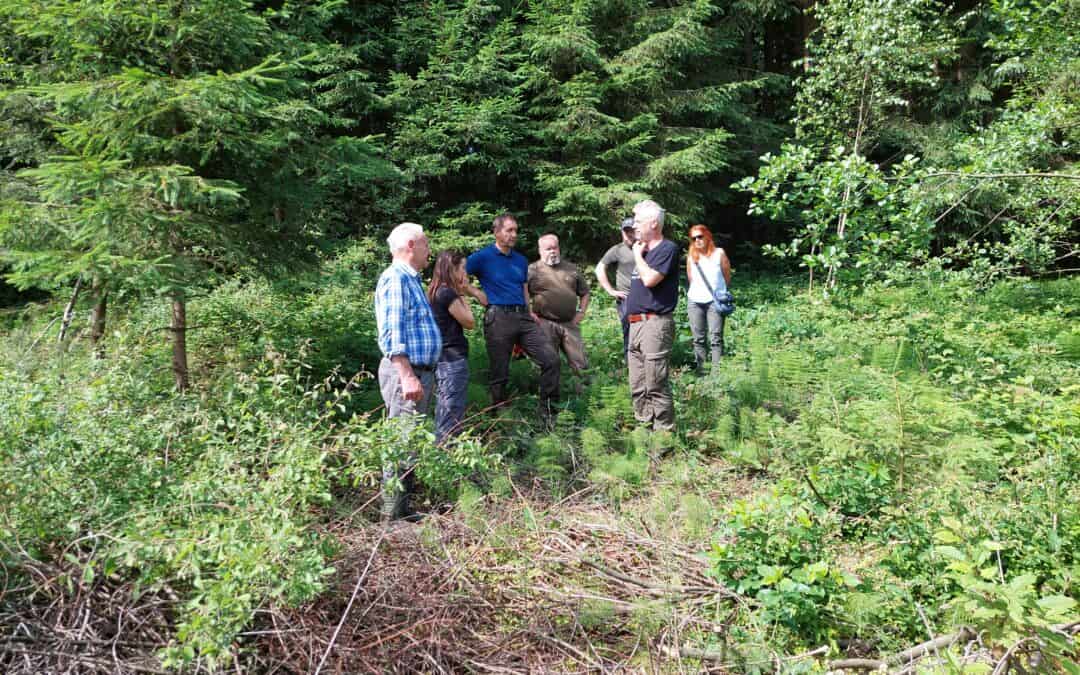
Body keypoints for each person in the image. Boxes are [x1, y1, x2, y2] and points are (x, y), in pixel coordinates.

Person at [374, 222, 441, 521]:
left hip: (418, 371)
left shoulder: (410, 279)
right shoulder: (396, 278)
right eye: (426, 244)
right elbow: (391, 331)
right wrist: (407, 374)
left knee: (409, 441)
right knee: (400, 441)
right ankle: (391, 517)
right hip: (407, 371)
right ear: (412, 245)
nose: (430, 250)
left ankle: (403, 510)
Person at [466, 213, 560, 421]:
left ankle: (548, 413)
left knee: (551, 359)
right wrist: (476, 293)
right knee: (500, 372)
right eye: (509, 230)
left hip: (523, 317)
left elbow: (523, 288)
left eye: (515, 230)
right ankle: (498, 419)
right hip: (498, 317)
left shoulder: (520, 259)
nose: (513, 234)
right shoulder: (482, 257)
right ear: (496, 232)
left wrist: (529, 311)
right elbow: (457, 276)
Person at [625, 200, 679, 432]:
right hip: (635, 325)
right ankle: (644, 429)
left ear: (654, 223)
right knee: (637, 384)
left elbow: (650, 280)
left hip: (654, 325)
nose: (635, 226)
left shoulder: (667, 249)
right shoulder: (645, 251)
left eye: (639, 221)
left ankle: (664, 434)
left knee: (655, 383)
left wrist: (637, 255)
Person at [427, 251, 486, 443]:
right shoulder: (447, 293)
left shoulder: (434, 290)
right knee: (450, 413)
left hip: (440, 358)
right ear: (452, 268)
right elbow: (469, 322)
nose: (465, 272)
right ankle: (445, 456)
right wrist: (463, 293)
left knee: (444, 409)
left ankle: (443, 454)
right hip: (452, 360)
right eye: (463, 267)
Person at [528, 234, 590, 391]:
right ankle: (548, 399)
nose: (552, 251)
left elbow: (585, 292)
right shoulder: (532, 270)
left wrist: (581, 312)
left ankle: (584, 399)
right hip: (544, 322)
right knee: (548, 362)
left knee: (580, 361)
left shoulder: (571, 268)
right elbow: (522, 292)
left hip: (570, 323)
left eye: (555, 247)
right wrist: (529, 312)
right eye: (548, 249)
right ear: (540, 250)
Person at [685, 224, 732, 374]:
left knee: (716, 338)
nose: (697, 240)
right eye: (694, 238)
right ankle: (701, 371)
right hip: (695, 301)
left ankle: (716, 374)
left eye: (700, 236)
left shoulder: (719, 253)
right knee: (698, 338)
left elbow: (726, 276)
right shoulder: (691, 257)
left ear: (707, 236)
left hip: (714, 301)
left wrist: (720, 293)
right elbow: (691, 278)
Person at [596, 217, 637, 354]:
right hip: (626, 298)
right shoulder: (618, 249)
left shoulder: (647, 247)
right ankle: (629, 365)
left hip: (646, 298)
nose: (630, 234)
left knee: (645, 332)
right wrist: (611, 291)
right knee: (628, 331)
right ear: (622, 232)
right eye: (626, 231)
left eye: (632, 230)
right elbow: (600, 268)